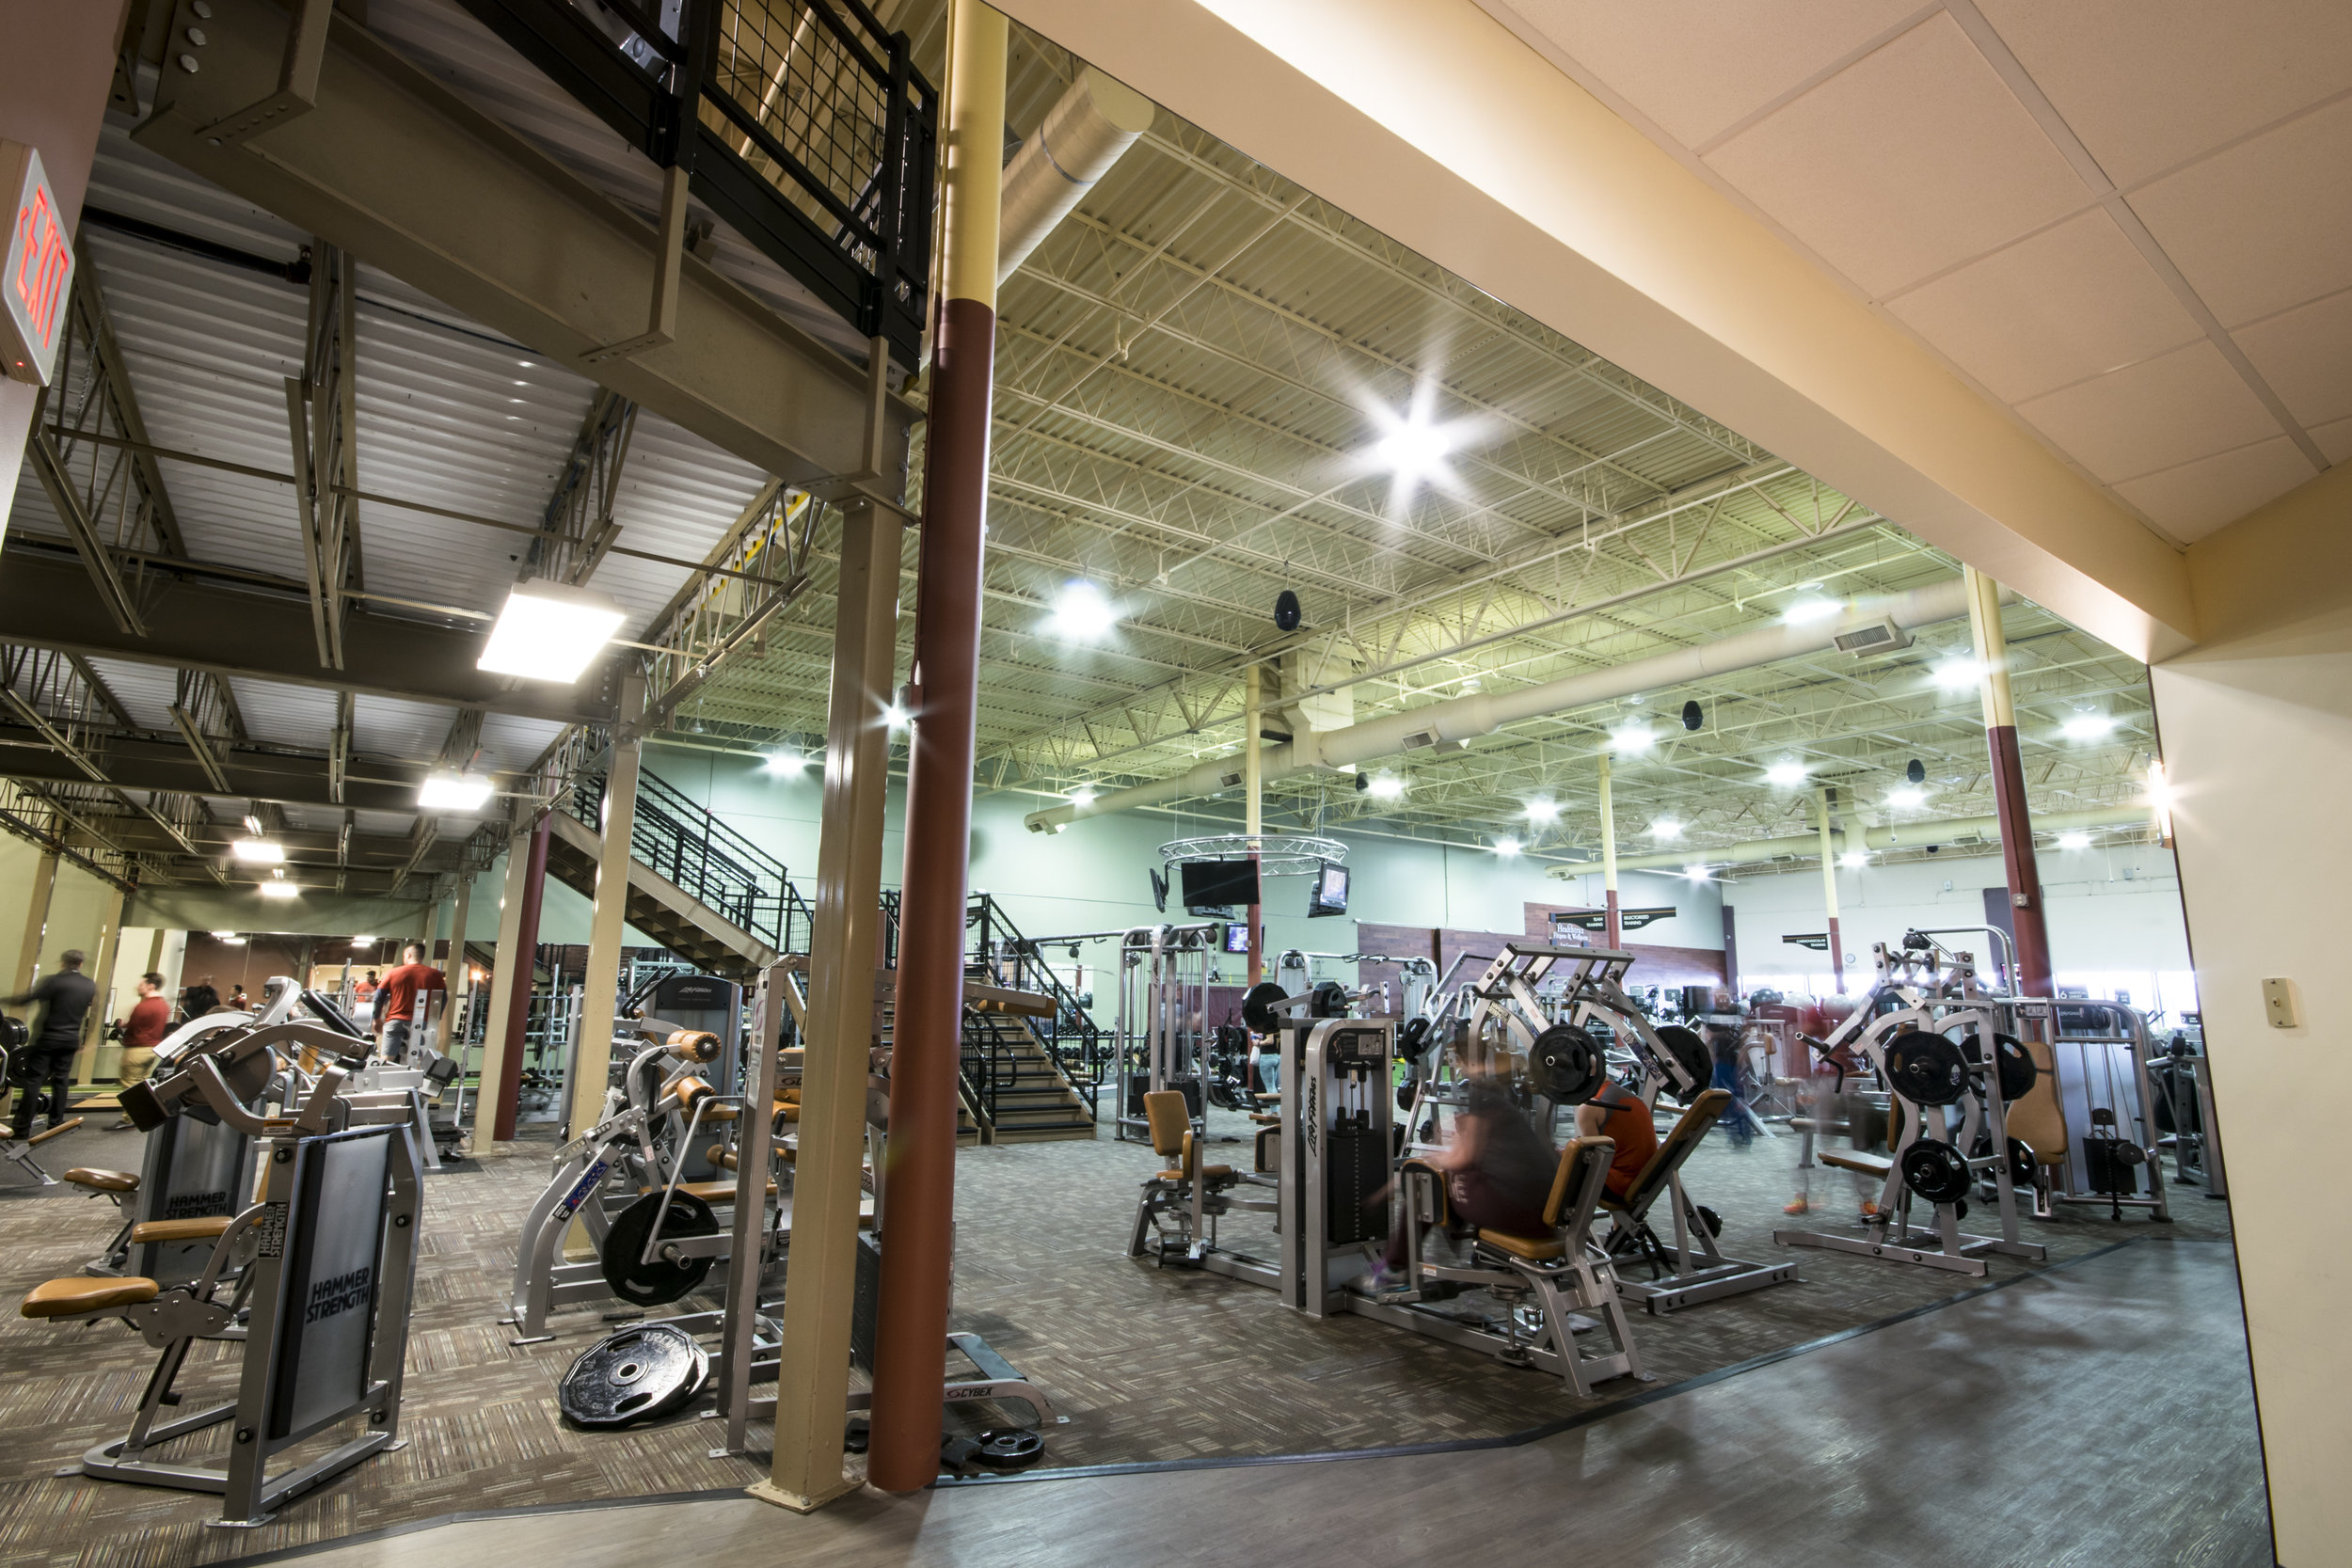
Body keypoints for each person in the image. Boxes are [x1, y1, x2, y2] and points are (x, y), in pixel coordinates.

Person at [1364, 1074, 1556, 1294]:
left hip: (1512, 1213)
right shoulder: (1511, 1118)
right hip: (1543, 1219)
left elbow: (1461, 1158)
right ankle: (1486, 1256)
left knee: (1422, 1182)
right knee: (1451, 1175)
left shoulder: (1482, 1103)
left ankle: (1395, 1270)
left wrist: (1411, 1170)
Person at [3, 949, 96, 1140]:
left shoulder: (54, 981)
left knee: (33, 1080)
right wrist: (85, 1040)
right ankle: (55, 1125)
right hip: (70, 1039)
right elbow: (92, 1014)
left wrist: (4, 999)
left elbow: (27, 999)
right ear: (80, 964)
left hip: (49, 1038)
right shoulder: (89, 985)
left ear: (63, 963)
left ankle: (21, 1128)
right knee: (61, 1081)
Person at [1577, 1073, 1661, 1202]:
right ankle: (1619, 1223)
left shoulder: (1590, 1106)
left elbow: (1590, 1159)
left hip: (1620, 1188)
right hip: (1645, 1182)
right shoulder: (1633, 1099)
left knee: (1551, 1163)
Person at [376, 942, 449, 1064]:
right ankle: (414, 1081)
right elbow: (443, 998)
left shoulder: (393, 972)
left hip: (395, 1020)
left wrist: (376, 1018)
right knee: (416, 1060)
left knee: (386, 1059)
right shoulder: (434, 974)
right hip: (420, 1022)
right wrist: (436, 1018)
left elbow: (379, 997)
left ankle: (380, 1081)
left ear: (408, 955)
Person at [116, 973, 173, 1086]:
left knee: (130, 1085)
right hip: (152, 1050)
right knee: (143, 1084)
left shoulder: (143, 1006)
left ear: (150, 986)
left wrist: (124, 1028)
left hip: (137, 1050)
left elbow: (134, 1028)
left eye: (142, 984)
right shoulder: (163, 1005)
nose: (138, 987)